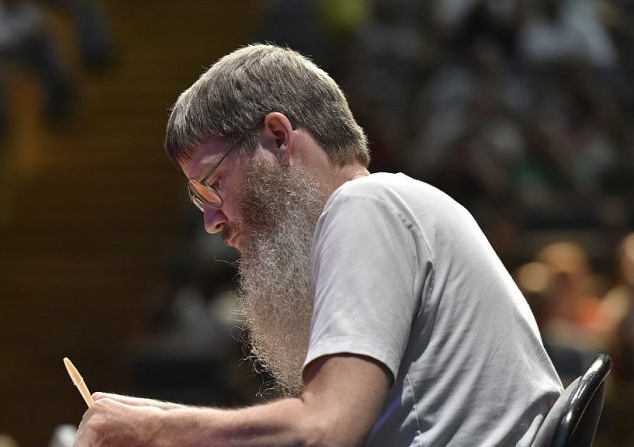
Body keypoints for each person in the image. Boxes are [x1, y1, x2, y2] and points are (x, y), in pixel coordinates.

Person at [74, 44, 562, 446]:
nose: (210, 219)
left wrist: (158, 428)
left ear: (278, 136)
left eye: (212, 183)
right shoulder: (399, 206)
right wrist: (161, 418)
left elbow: (325, 428)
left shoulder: (368, 204)